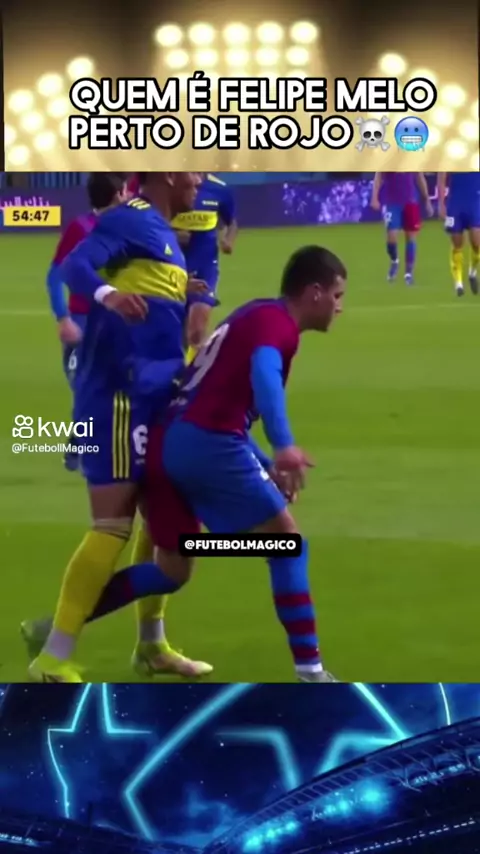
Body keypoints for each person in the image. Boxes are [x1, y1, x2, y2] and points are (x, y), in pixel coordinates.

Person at [57, 245, 346, 683]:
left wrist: (265, 462)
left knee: (173, 568)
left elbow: (221, 402)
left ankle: (58, 630)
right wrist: (284, 445)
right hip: (205, 445)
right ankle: (312, 672)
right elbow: (265, 377)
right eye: (338, 296)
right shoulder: (278, 328)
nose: (340, 307)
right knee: (287, 544)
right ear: (315, 293)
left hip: (168, 442)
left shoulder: (257, 313)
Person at [27, 172, 215, 684]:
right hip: (119, 396)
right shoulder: (132, 218)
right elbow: (74, 265)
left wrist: (181, 291)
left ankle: (151, 646)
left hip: (154, 394)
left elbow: (149, 300)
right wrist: (108, 295)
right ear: (168, 172)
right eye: (193, 170)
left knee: (158, 521)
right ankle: (51, 660)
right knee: (112, 524)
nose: (199, 178)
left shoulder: (161, 231)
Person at [45, 172, 129, 471]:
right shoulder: (81, 228)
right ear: (118, 194)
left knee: (114, 387)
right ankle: (80, 449)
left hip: (116, 320)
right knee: (85, 386)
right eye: (125, 191)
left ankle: (83, 447)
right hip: (83, 321)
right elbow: (54, 276)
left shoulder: (127, 227)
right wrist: (63, 318)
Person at [171, 172, 238, 359]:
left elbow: (232, 222)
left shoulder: (220, 189)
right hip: (172, 266)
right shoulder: (171, 185)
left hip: (205, 267)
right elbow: (152, 220)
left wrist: (229, 239)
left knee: (197, 330)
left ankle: (193, 374)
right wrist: (173, 235)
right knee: (175, 332)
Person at [370, 173, 433, 284]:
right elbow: (379, 176)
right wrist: (374, 197)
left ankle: (408, 273)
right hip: (392, 202)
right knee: (392, 236)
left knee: (411, 237)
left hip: (410, 200)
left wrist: (427, 199)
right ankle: (394, 260)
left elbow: (419, 177)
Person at [437, 172, 480, 297]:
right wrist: (441, 203)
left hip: (475, 201)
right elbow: (442, 176)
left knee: (476, 242)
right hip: (455, 203)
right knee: (457, 243)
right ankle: (459, 283)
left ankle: (472, 271)